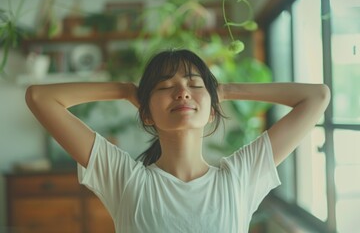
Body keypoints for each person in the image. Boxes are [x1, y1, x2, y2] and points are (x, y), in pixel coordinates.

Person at [25, 49, 330, 233]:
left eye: (193, 85)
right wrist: (125, 90)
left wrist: (223, 91)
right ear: (146, 114)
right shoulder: (123, 178)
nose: (182, 92)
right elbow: (40, 97)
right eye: (164, 87)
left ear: (212, 112)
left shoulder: (240, 177)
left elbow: (317, 96)